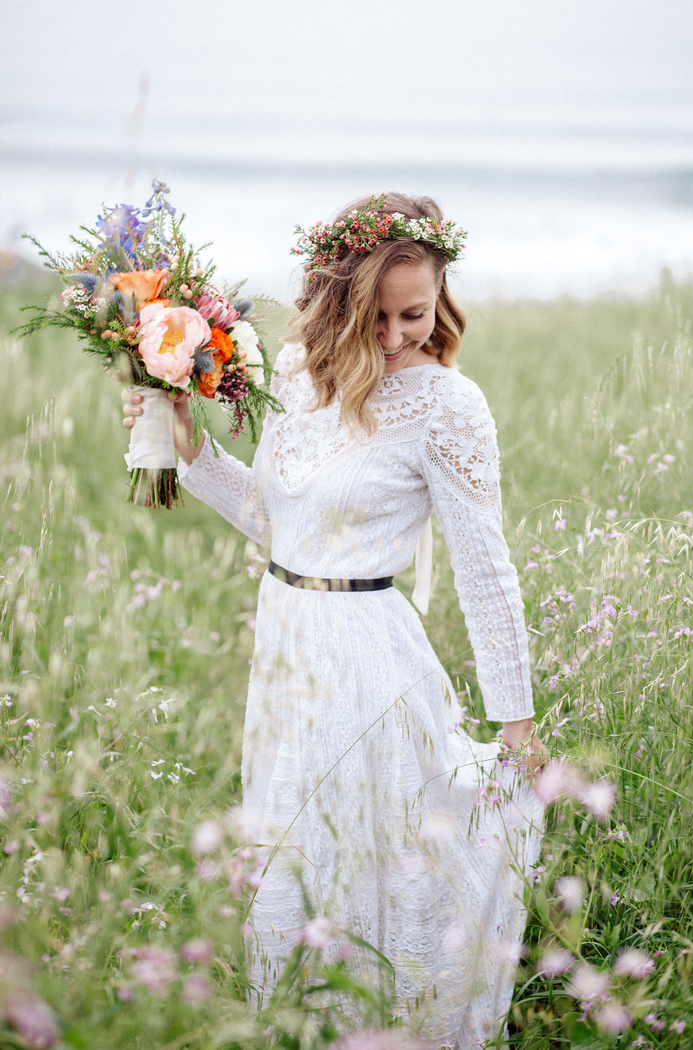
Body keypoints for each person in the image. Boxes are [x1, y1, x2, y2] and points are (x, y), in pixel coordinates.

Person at [123, 192, 545, 1048]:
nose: (393, 337)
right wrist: (186, 442)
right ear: (335, 301)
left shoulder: (449, 405)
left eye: (414, 315)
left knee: (374, 866)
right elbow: (277, 520)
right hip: (284, 645)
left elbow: (486, 569)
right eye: (375, 316)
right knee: (291, 858)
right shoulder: (292, 373)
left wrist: (518, 718)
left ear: (440, 300)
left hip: (370, 658)